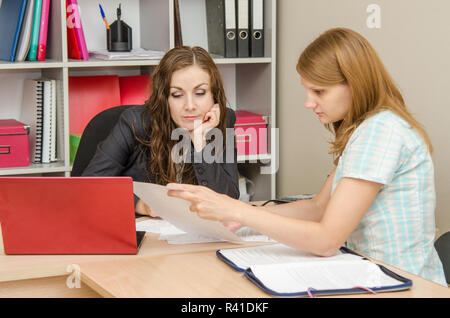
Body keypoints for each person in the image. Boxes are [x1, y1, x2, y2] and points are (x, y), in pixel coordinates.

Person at [167, 28, 447, 285]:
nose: (308, 102)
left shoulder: (381, 131)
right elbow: (318, 208)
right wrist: (245, 216)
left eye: (319, 91)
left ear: (355, 83)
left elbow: (326, 240)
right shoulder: (367, 129)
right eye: (307, 90)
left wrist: (238, 211)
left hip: (402, 283)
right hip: (372, 274)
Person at [82, 46, 239, 217]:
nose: (190, 106)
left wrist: (201, 144)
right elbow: (89, 186)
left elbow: (229, 199)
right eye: (177, 94)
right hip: (144, 233)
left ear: (214, 96)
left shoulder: (222, 120)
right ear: (164, 98)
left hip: (197, 235)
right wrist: (140, 204)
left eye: (200, 93)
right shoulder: (135, 123)